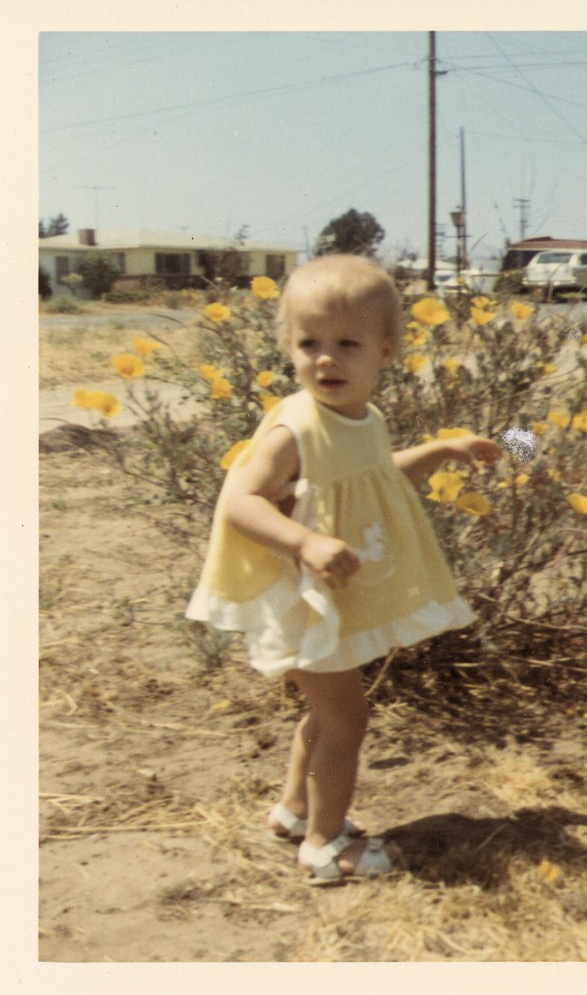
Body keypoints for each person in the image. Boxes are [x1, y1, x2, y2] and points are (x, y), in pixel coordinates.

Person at [186, 254, 501, 883]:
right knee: (346, 718)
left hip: (328, 595)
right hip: (301, 597)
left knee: (330, 712)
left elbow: (376, 477)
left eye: (346, 344)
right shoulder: (294, 429)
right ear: (290, 349)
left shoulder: (363, 420)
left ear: (385, 352)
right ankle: (326, 845)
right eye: (309, 343)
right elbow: (240, 502)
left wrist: (442, 448)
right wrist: (303, 541)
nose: (325, 359)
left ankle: (297, 812)